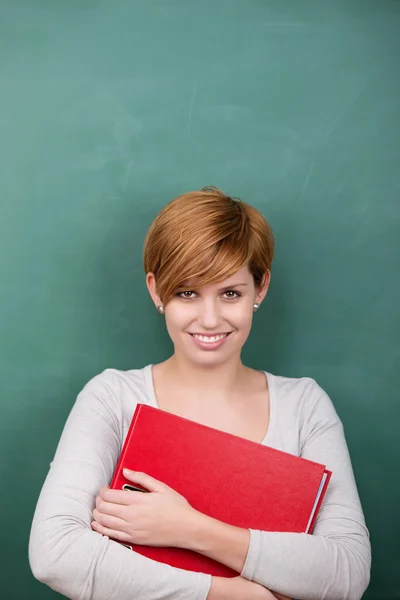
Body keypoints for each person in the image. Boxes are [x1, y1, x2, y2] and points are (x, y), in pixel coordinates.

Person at [29, 187, 371, 600]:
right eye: (187, 292)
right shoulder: (112, 397)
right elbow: (56, 552)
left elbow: (348, 572)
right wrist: (235, 594)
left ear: (260, 288)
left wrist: (190, 528)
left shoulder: (304, 406)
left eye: (231, 293)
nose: (210, 319)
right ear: (157, 291)